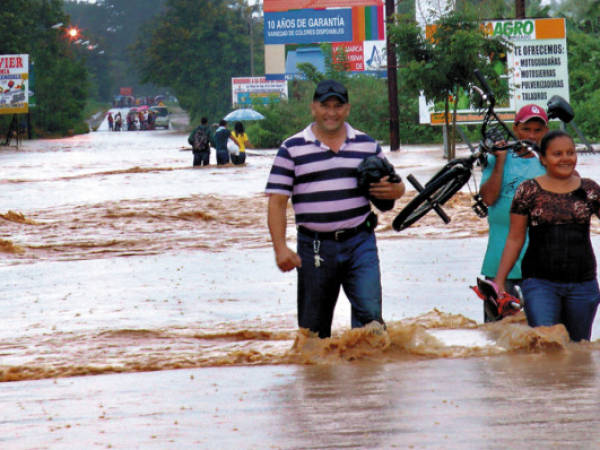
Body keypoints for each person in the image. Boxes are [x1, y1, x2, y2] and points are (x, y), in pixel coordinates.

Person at [265, 79, 405, 339]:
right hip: (315, 247)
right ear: (313, 108)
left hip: (361, 243)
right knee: (313, 335)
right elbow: (276, 202)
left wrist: (398, 191)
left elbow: (394, 185)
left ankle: (369, 380)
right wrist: (280, 248)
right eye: (325, 106)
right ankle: (319, 381)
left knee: (371, 323)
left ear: (347, 109)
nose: (331, 112)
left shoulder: (367, 145)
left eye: (337, 106)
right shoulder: (291, 148)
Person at [494, 130, 600, 341]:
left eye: (570, 152)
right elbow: (515, 238)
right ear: (543, 158)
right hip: (540, 283)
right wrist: (499, 281)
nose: (565, 158)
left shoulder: (589, 190)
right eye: (557, 154)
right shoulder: (528, 191)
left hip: (583, 283)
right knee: (546, 344)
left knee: (578, 348)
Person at [478, 104, 548, 322]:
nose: (531, 135)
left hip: (539, 263)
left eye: (538, 130)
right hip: (499, 262)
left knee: (542, 331)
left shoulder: (549, 161)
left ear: (545, 132)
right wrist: (499, 161)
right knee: (497, 332)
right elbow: (488, 198)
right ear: (516, 129)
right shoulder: (498, 157)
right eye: (526, 129)